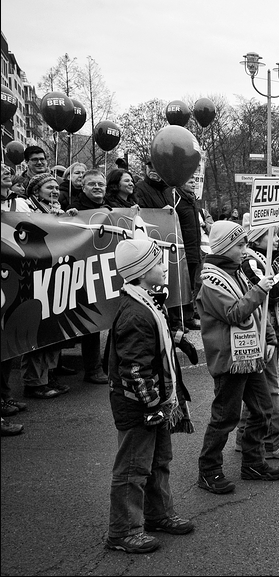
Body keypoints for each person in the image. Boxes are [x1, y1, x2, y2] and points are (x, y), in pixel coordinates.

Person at [105, 238, 195, 554]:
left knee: (159, 461)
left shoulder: (147, 302)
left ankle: (158, 514)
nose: (163, 268)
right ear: (143, 272)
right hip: (139, 404)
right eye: (157, 264)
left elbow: (153, 341)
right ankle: (123, 531)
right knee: (132, 469)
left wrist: (177, 338)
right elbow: (134, 367)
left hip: (155, 402)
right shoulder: (134, 313)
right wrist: (153, 404)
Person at [196, 221, 279, 494]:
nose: (245, 249)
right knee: (225, 417)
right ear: (224, 247)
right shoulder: (211, 281)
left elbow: (259, 311)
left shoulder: (238, 271)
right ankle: (209, 470)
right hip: (229, 359)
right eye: (240, 245)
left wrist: (269, 336)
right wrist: (260, 290)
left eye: (245, 243)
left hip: (250, 354)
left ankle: (253, 462)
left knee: (262, 409)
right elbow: (236, 312)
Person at [234, 226, 279, 460]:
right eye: (270, 235)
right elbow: (272, 293)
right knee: (269, 387)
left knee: (255, 385)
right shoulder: (251, 263)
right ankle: (272, 442)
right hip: (261, 331)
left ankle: (245, 438)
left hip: (266, 328)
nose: (276, 239)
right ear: (256, 238)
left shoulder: (262, 260)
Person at [19, 173, 73, 400]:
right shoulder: (26, 210)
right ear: (35, 191)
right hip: (34, 280)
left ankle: (48, 375)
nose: (54, 190)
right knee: (37, 332)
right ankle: (34, 382)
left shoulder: (58, 209)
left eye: (56, 187)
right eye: (48, 187)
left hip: (55, 278)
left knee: (53, 329)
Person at [70, 169, 112, 385]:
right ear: (83, 187)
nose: (97, 187)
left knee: (114, 318)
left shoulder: (112, 209)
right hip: (84, 273)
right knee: (91, 322)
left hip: (108, 270)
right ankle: (93, 369)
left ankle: (109, 364)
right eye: (92, 184)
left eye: (100, 184)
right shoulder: (73, 209)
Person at [0, 164, 31, 424]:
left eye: (6, 169)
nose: (5, 171)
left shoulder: (16, 205)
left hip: (9, 282)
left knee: (6, 344)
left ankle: (4, 395)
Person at [170, 177, 202, 331]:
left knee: (190, 286)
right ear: (181, 183)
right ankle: (182, 318)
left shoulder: (191, 200)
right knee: (182, 286)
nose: (194, 184)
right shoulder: (176, 200)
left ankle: (189, 314)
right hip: (183, 250)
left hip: (194, 249)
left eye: (195, 181)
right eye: (190, 181)